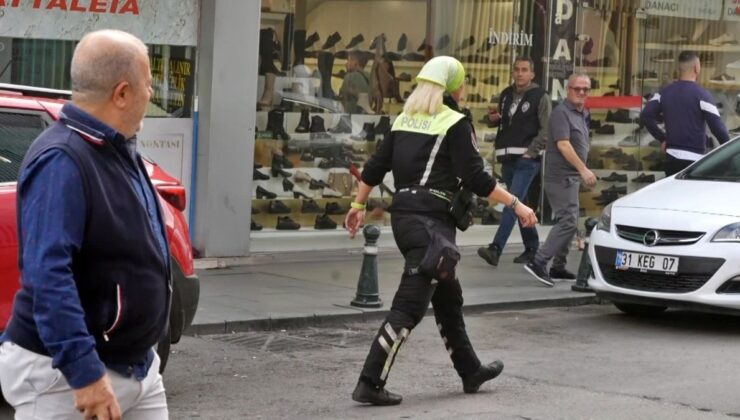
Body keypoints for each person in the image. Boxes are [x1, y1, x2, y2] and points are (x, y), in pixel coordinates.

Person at [345, 56, 538, 406]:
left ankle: (470, 370)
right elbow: (477, 178)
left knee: (448, 297)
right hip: (431, 226)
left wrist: (358, 207)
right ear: (454, 88)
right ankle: (369, 381)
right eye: (462, 83)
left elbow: (374, 168)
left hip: (406, 220)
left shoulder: (404, 120)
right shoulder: (454, 122)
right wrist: (517, 204)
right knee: (408, 308)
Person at [0, 29, 169, 419]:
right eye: (147, 85)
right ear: (122, 93)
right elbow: (48, 276)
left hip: (138, 366)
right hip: (69, 378)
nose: (151, 94)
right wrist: (83, 371)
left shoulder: (117, 147)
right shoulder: (63, 160)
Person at [477, 56, 551, 267]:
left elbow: (547, 129)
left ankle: (496, 248)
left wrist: (532, 151)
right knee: (522, 203)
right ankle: (532, 248)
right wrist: (495, 120)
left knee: (512, 203)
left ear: (532, 74)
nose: (519, 73)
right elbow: (507, 122)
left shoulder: (540, 96)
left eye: (524, 70)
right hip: (507, 158)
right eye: (516, 69)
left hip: (526, 160)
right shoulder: (506, 94)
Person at [524, 73, 596, 287]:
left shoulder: (581, 113)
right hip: (560, 177)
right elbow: (564, 144)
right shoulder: (561, 113)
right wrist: (583, 169)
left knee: (570, 221)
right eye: (577, 89)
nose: (581, 92)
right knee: (567, 220)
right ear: (568, 90)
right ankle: (538, 261)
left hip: (570, 176)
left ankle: (558, 266)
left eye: (585, 89)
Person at [640, 50, 730, 176]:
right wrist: (730, 153)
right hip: (695, 161)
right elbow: (718, 129)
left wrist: (662, 139)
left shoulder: (664, 92)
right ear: (696, 68)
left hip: (672, 157)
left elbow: (646, 115)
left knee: (673, 195)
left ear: (680, 69)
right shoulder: (703, 95)